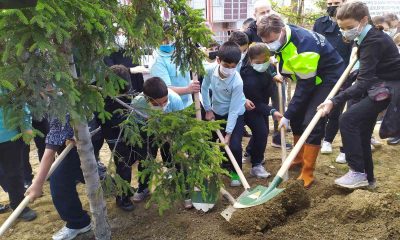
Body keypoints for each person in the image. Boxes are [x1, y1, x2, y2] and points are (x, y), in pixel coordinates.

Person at [257, 14, 346, 188]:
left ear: (281, 30)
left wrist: (287, 115)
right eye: (266, 42)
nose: (270, 45)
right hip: (310, 78)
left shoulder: (305, 45)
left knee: (311, 122)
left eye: (272, 41)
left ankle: (307, 171)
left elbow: (306, 86)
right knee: (297, 118)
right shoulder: (285, 35)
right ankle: (297, 158)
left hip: (328, 79)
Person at [318, 1, 400, 189]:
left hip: (387, 88)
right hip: (377, 84)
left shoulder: (373, 40)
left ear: (363, 20)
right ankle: (368, 179)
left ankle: (357, 171)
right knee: (362, 130)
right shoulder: (365, 36)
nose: (345, 32)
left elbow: (363, 82)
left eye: (349, 27)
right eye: (341, 28)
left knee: (347, 120)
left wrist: (334, 100)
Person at [129, 77, 190, 207]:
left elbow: (180, 125)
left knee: (172, 157)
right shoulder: (137, 103)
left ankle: (181, 186)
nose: (163, 105)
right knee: (146, 159)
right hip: (148, 133)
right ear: (147, 99)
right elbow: (136, 125)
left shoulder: (175, 100)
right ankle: (144, 187)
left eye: (165, 101)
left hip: (170, 134)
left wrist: (175, 141)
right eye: (157, 104)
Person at [201, 41, 246, 187]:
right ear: (219, 60)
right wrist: (208, 109)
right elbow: (204, 88)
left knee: (234, 146)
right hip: (215, 111)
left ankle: (236, 172)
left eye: (234, 67)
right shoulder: (209, 70)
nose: (230, 70)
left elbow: (234, 109)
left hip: (234, 114)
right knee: (209, 142)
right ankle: (211, 170)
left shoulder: (237, 82)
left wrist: (228, 133)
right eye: (226, 66)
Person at [313, 0, 352, 155]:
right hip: (322, 74)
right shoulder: (320, 23)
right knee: (321, 107)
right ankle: (318, 136)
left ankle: (328, 141)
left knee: (336, 109)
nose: (333, 5)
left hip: (342, 74)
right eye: (330, 2)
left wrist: (348, 74)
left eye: (337, 2)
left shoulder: (349, 25)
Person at [96, 65, 136, 211]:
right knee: (123, 166)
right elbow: (111, 120)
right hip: (116, 138)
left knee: (126, 165)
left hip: (124, 135)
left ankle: (125, 188)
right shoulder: (109, 101)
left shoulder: (121, 96)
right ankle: (122, 198)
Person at [240, 43, 283, 178]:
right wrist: (272, 111)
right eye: (257, 62)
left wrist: (274, 75)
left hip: (262, 103)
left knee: (261, 130)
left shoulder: (267, 64)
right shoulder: (248, 77)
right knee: (262, 132)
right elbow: (256, 103)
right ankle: (256, 165)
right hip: (249, 107)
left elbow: (270, 68)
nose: (262, 64)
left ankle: (249, 153)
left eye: (265, 61)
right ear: (250, 60)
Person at [0, 92, 37, 221]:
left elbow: (21, 103)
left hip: (9, 135)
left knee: (14, 173)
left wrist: (26, 126)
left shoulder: (8, 77)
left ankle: (19, 206)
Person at [150, 24, 200, 109]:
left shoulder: (181, 51)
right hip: (171, 108)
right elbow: (165, 90)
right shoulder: (158, 61)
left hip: (188, 103)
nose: (168, 41)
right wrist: (188, 90)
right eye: (165, 39)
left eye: (171, 37)